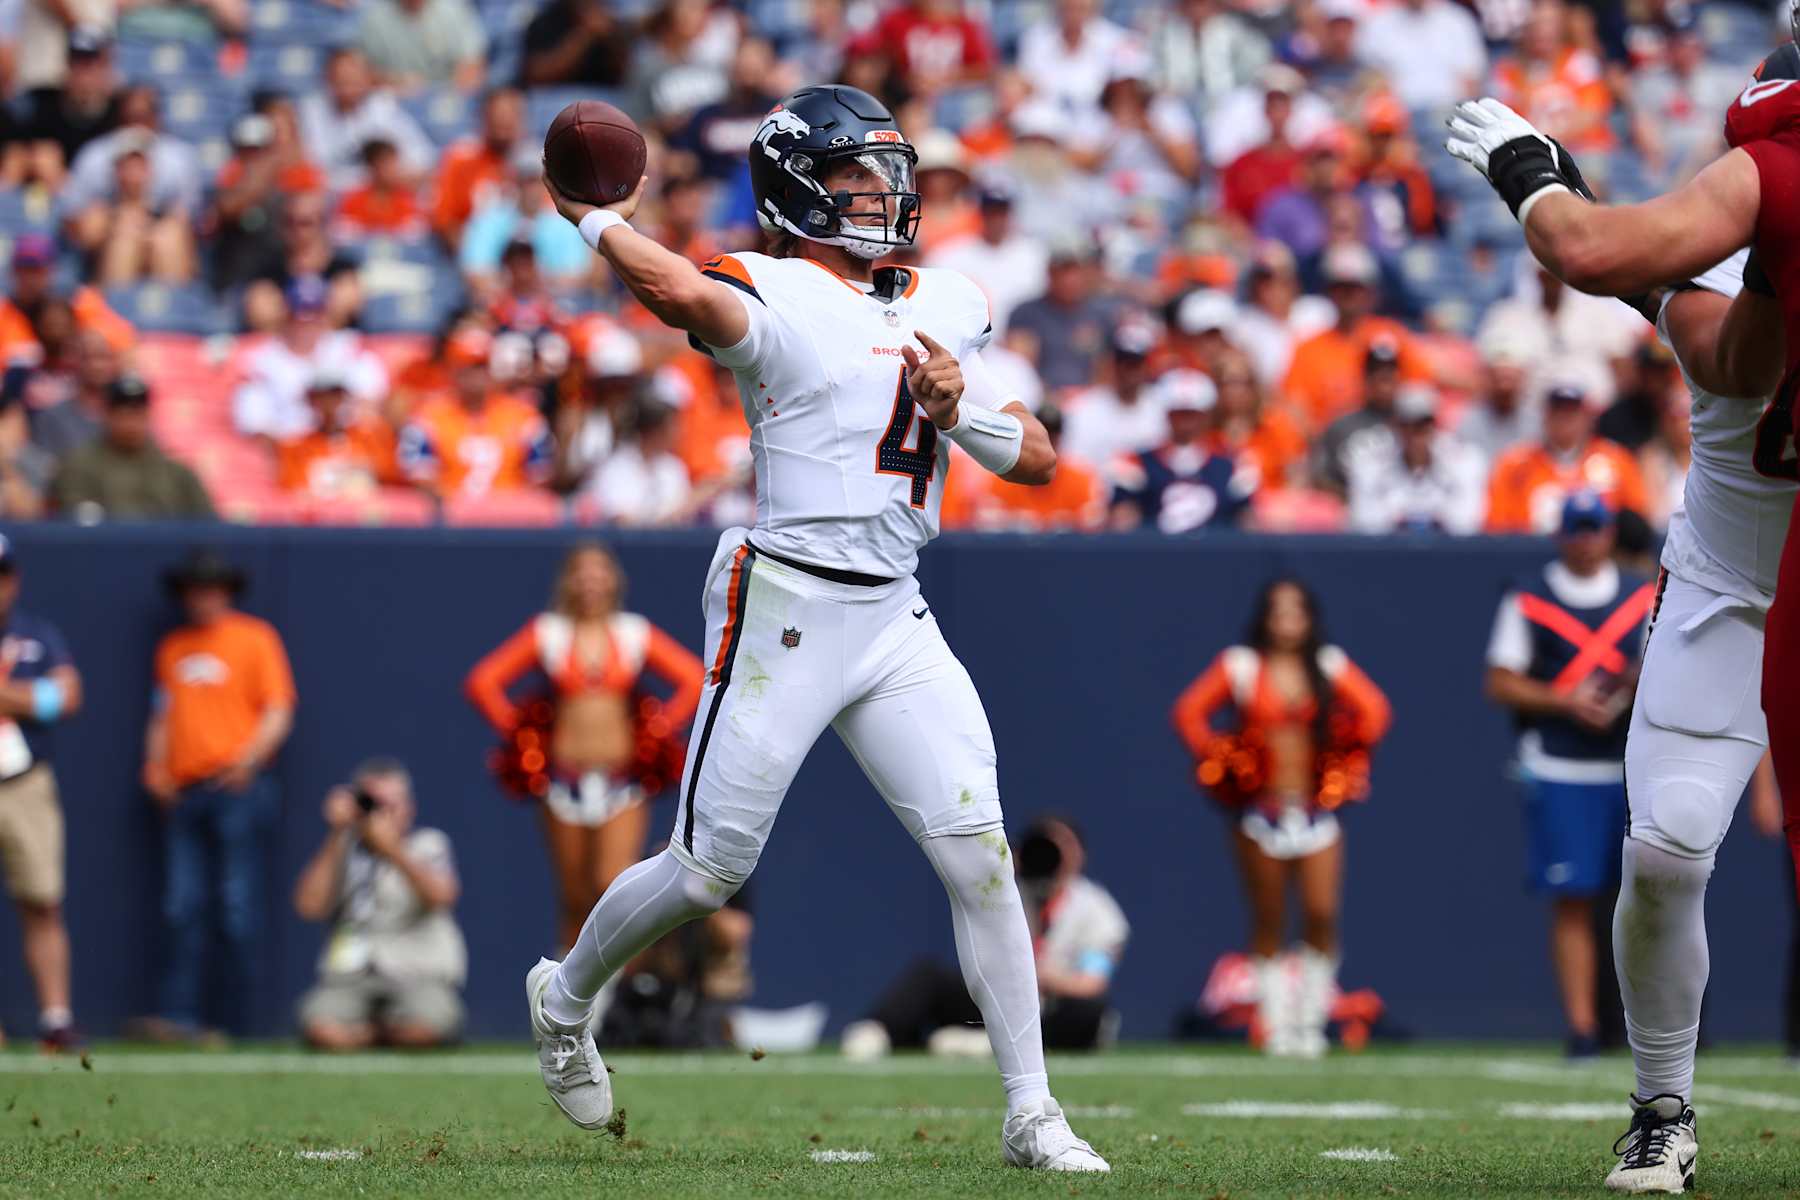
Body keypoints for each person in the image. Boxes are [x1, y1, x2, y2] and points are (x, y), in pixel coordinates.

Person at [532, 84, 1106, 1171]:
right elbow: (684, 300)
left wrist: (961, 406)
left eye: (889, 175)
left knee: (981, 856)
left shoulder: (947, 299)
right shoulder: (774, 287)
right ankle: (564, 1003)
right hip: (788, 602)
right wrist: (597, 218)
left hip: (897, 615)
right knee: (707, 872)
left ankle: (1033, 1113)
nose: (882, 196)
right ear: (800, 190)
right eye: (855, 178)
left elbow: (1035, 459)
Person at [1172, 578, 1390, 1056]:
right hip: (1260, 811)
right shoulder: (1241, 666)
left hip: (1315, 809)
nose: (1287, 621)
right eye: (1278, 611)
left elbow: (1375, 710)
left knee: (1321, 914)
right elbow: (1189, 712)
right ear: (1264, 617)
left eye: (1296, 611)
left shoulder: (1328, 665)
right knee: (1269, 918)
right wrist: (1222, 759)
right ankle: (1275, 1024)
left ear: (1310, 617)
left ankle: (1310, 1021)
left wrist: (1344, 753)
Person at [466, 543, 704, 955]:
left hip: (623, 783)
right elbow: (483, 682)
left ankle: (621, 991)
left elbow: (692, 677)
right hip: (564, 783)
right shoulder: (549, 632)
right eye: (582, 572)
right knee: (574, 893)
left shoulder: (633, 633)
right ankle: (568, 1000)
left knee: (614, 885)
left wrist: (660, 726)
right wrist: (522, 733)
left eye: (600, 571)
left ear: (614, 579)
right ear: (568, 580)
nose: (591, 580)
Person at [1484, 492, 1651, 1059]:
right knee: (1574, 898)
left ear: (1609, 533)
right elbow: (1501, 680)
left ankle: (1652, 1029)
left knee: (1646, 899)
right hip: (1560, 765)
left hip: (1631, 763)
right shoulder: (1529, 596)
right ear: (1560, 534)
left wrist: (1627, 686)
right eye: (1575, 529)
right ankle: (1581, 1027)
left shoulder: (1641, 593)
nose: (1585, 540)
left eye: (1594, 528)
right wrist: (1566, 701)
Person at [139, 549, 296, 1040]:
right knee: (181, 906)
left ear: (226, 591)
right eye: (194, 589)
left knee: (236, 905)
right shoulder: (173, 648)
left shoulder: (255, 638)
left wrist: (247, 761)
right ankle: (181, 1018)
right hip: (185, 791)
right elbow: (162, 716)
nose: (202, 598)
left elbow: (278, 709)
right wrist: (155, 767)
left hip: (238, 787)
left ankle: (241, 1024)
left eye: (211, 588)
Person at [840, 816, 1128, 1059]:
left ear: (1079, 855)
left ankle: (989, 1045)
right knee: (928, 975)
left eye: (1062, 846)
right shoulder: (1006, 892)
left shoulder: (1098, 910)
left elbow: (1091, 984)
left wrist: (1042, 977)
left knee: (1089, 1011)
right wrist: (1000, 868)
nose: (1051, 854)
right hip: (1000, 997)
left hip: (1051, 1007)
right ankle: (877, 1031)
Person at [293, 759, 465, 1050]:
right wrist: (335, 833)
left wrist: (392, 850)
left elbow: (441, 896)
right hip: (351, 977)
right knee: (319, 1026)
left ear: (409, 808)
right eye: (374, 804)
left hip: (415, 976)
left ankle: (371, 1036)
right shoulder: (343, 849)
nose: (383, 814)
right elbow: (309, 906)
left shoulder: (428, 845)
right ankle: (377, 1035)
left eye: (392, 805)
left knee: (430, 1027)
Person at [0, 536, 83, 1051]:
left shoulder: (35, 635)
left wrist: (10, 695)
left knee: (42, 900)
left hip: (24, 782)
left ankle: (55, 1019)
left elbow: (66, 697)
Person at [397, 327, 553, 500]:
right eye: (469, 367)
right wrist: (459, 508)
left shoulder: (525, 417)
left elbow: (539, 477)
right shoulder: (427, 417)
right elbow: (420, 476)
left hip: (511, 518)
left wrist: (507, 508)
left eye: (483, 367)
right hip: (449, 519)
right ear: (453, 370)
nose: (477, 376)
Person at [1483, 376, 1648, 534]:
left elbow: (1637, 523)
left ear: (1589, 417)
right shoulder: (1514, 464)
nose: (1564, 418)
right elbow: (1497, 529)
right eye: (1557, 410)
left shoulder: (1617, 461)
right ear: (1545, 416)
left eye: (1572, 411)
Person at [48, 375, 215, 520]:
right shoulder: (78, 466)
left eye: (137, 412)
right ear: (106, 415)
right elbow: (73, 524)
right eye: (122, 412)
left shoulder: (176, 472)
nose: (131, 422)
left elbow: (209, 529)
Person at [1108, 370, 1256, 534]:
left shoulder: (1233, 466)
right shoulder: (1136, 463)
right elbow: (1123, 523)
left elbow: (1248, 525)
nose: (1186, 423)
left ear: (1207, 416)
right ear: (1167, 414)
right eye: (1179, 414)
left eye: (1192, 415)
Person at [1346, 385, 1488, 534]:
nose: (1414, 433)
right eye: (1406, 425)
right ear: (1395, 426)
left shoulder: (1464, 461)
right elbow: (1365, 523)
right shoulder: (1369, 464)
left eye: (1422, 424)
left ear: (1434, 425)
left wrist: (1400, 517)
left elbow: (1467, 523)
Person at [355, 0, 486, 93]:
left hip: (447, 102)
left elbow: (473, 67)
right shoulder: (375, 18)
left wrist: (442, 93)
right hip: (393, 102)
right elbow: (361, 73)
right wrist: (397, 84)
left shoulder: (455, 11)